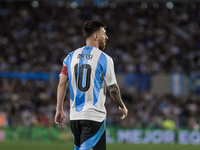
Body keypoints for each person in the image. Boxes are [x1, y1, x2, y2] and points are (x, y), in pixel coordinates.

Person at [55, 20, 128, 150]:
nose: (106, 37)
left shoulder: (70, 57)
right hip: (94, 116)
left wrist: (59, 110)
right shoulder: (105, 58)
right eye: (104, 33)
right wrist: (121, 105)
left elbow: (61, 84)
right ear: (96, 36)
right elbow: (112, 87)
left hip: (75, 117)